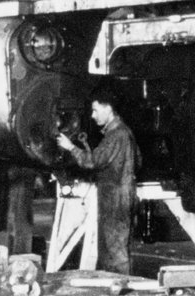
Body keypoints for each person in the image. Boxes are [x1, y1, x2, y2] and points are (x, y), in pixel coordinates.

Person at [52, 94, 140, 275]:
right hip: (121, 195)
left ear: (108, 109)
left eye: (95, 110)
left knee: (114, 249)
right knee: (114, 247)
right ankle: (116, 286)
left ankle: (122, 287)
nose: (92, 115)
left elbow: (92, 161)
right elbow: (138, 160)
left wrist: (71, 147)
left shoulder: (116, 134)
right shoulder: (125, 132)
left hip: (115, 198)